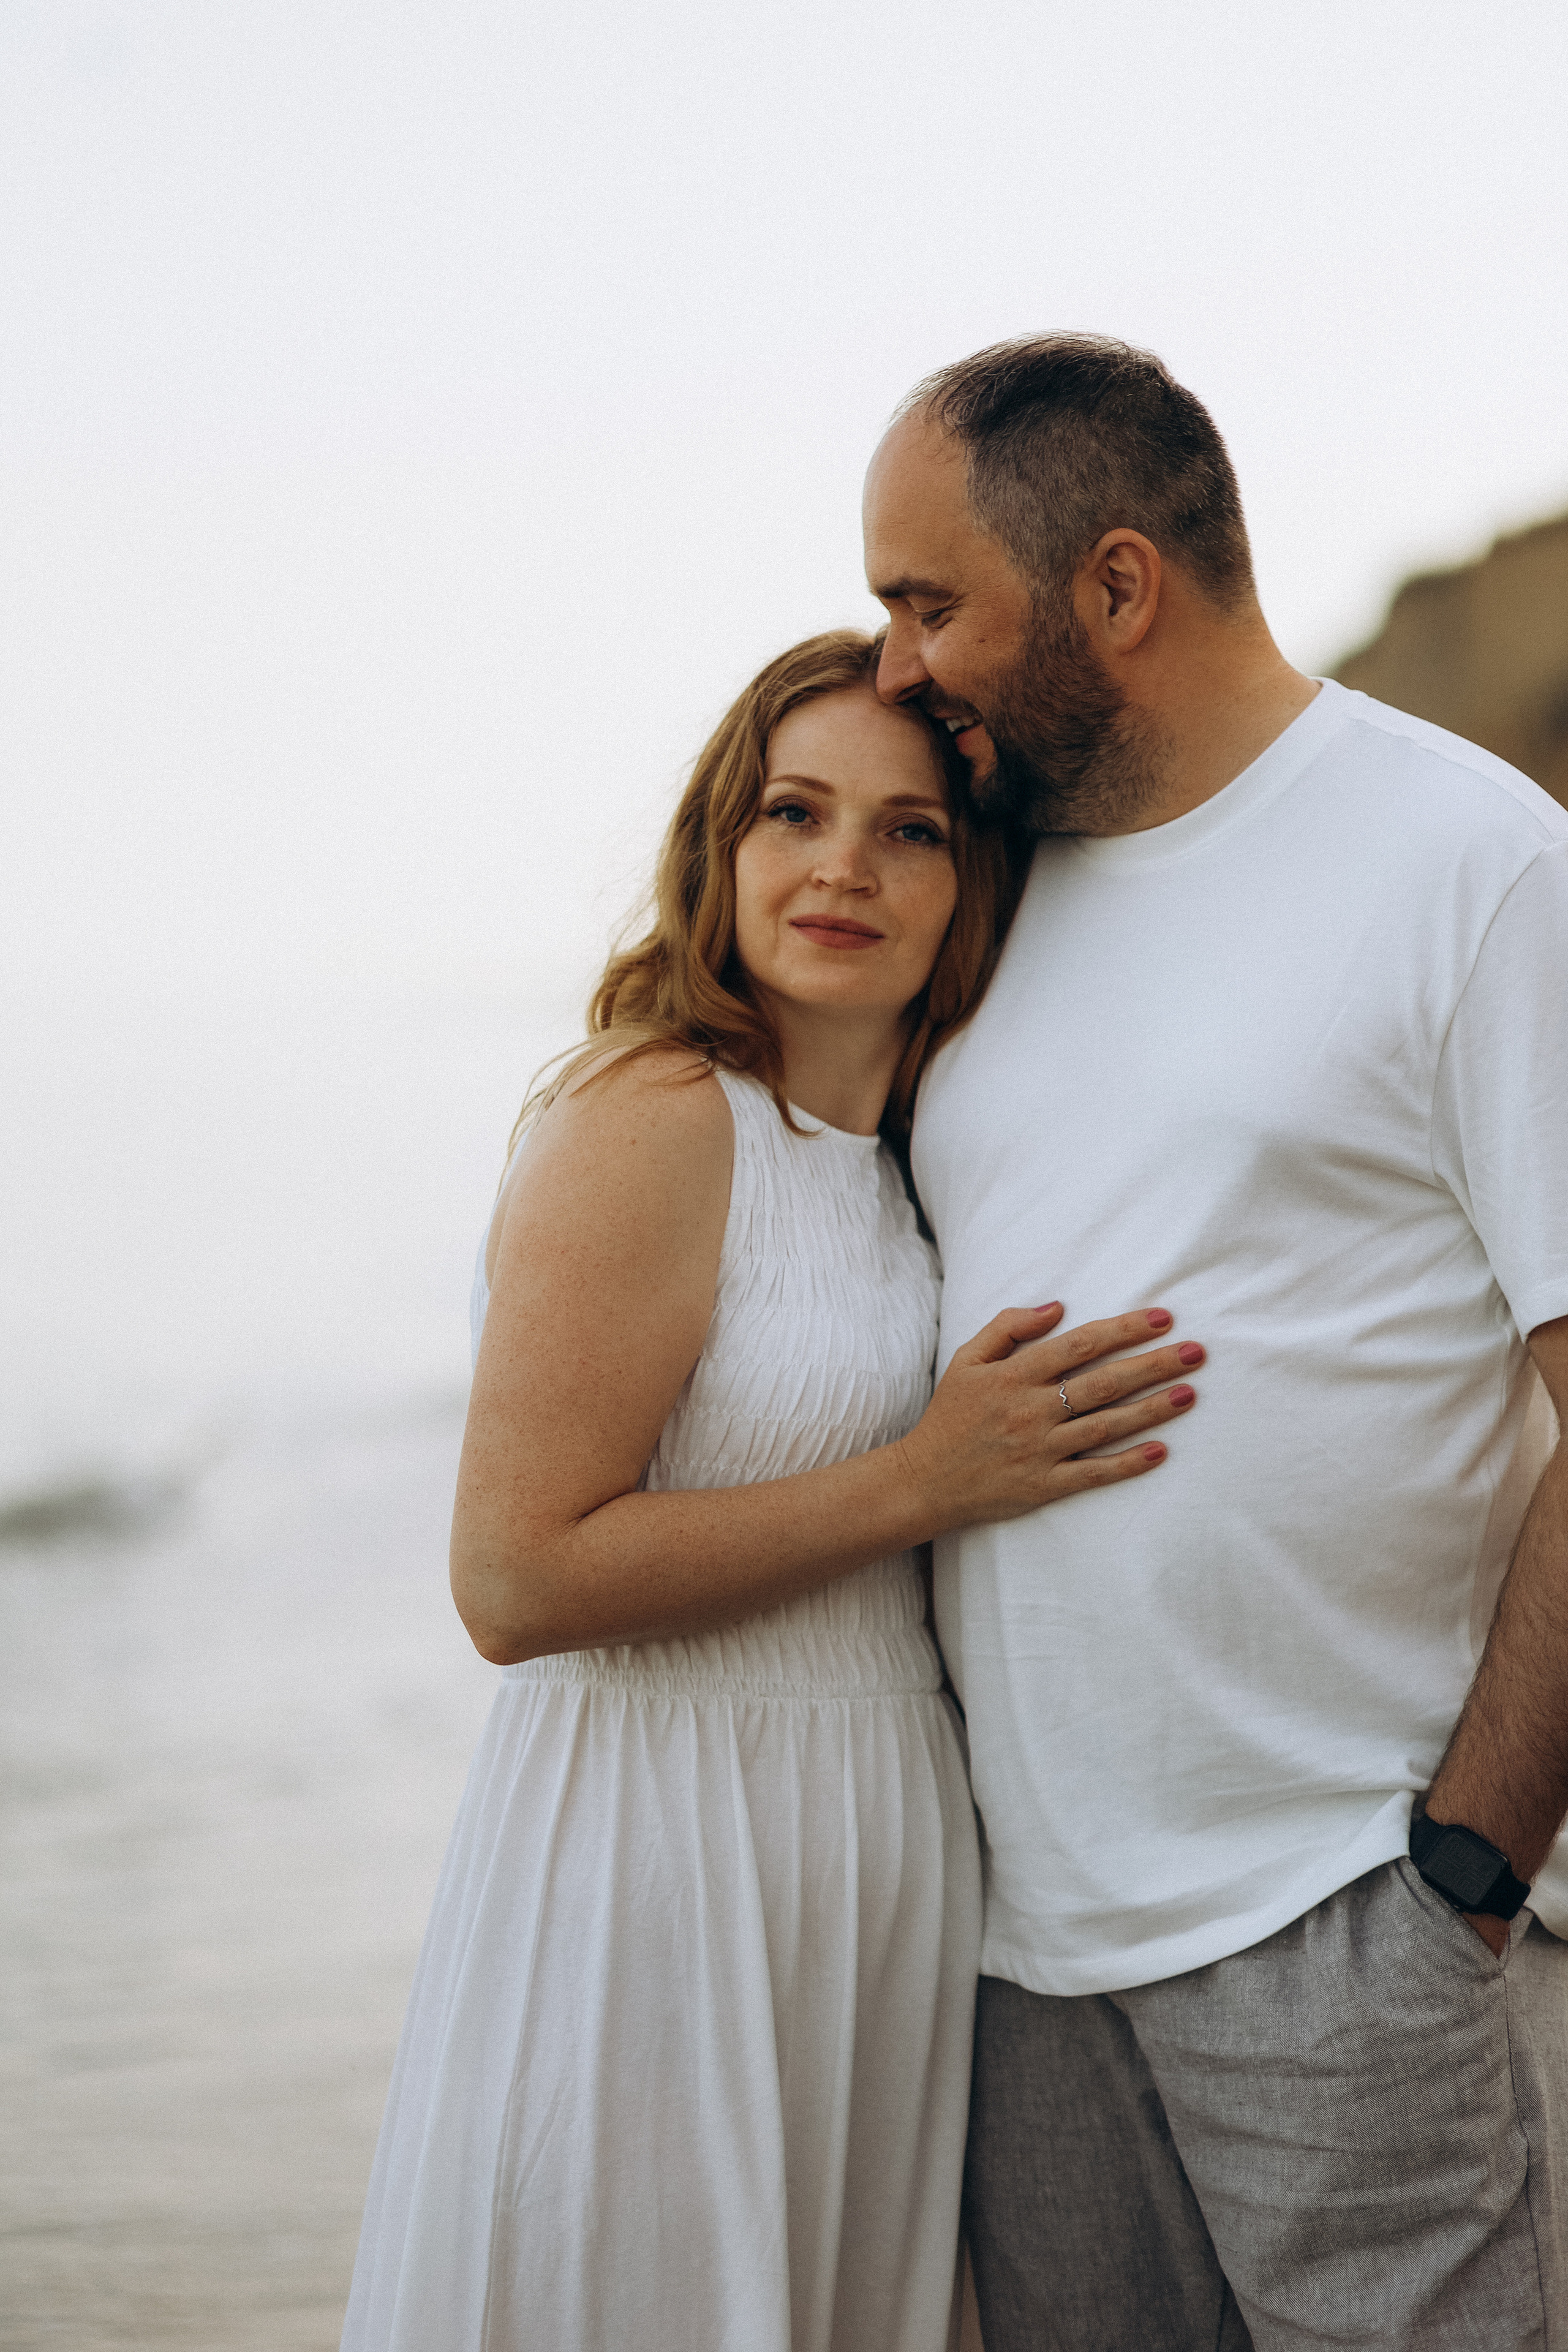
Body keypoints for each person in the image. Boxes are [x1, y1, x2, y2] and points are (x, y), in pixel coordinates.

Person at [339, 628, 1204, 2352]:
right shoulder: (654, 1115)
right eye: (793, 813)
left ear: (979, 883)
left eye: (910, 832)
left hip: (872, 1863)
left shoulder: (911, 1166)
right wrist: (925, 1481)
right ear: (718, 848)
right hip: (660, 1855)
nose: (840, 868)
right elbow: (513, 1581)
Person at [863, 335, 1568, 2350]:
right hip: (1021, 1960)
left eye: (932, 605)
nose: (901, 667)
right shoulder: (987, 892)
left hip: (1345, 1922)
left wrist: (1461, 1873)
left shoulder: (1476, 866)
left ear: (1113, 588)